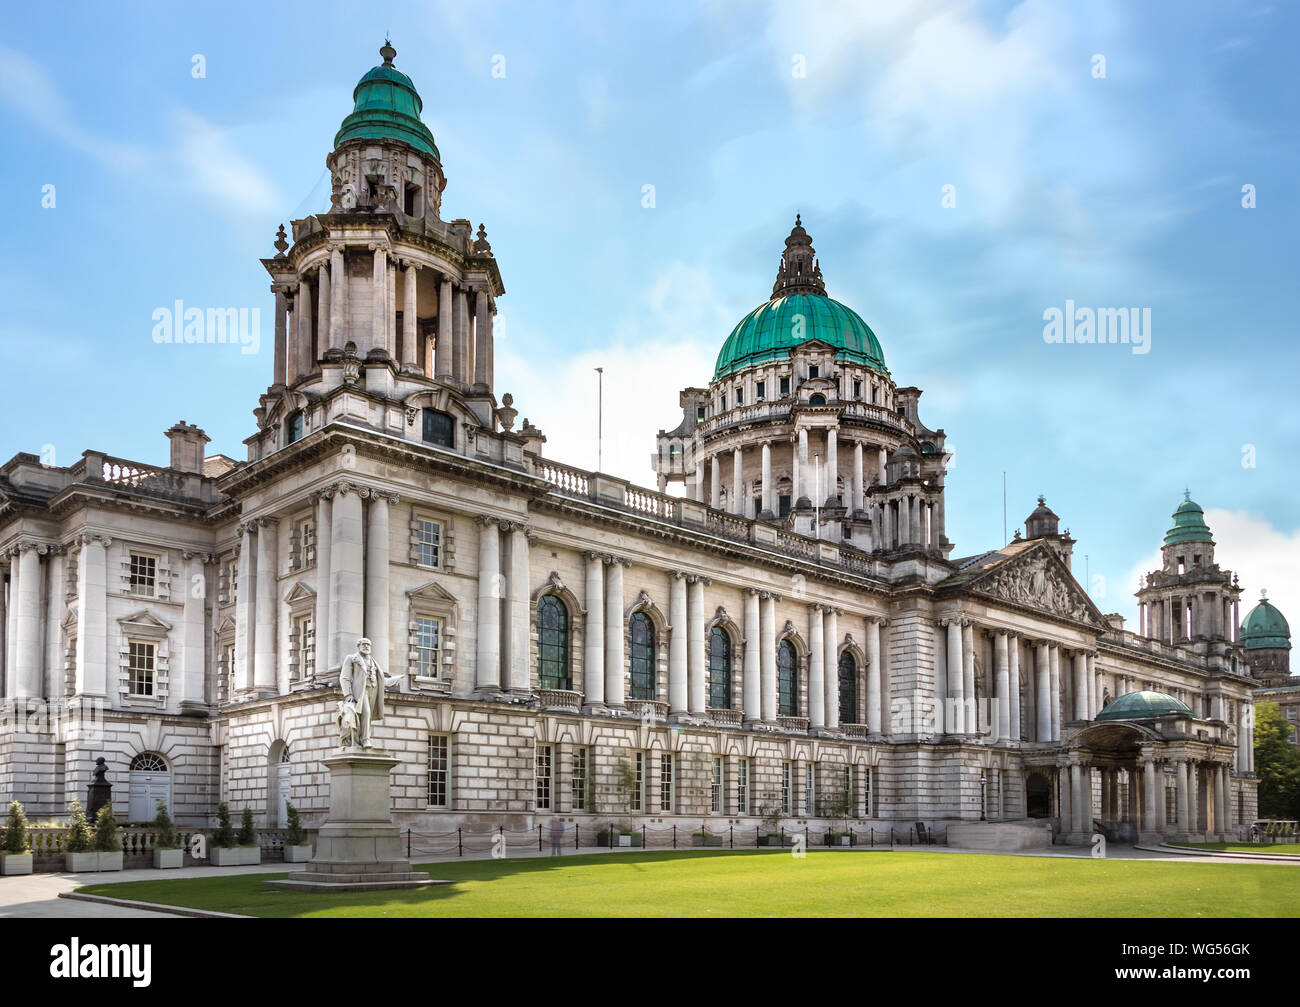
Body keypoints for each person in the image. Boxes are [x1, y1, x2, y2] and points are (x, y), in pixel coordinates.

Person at [338, 637, 402, 748]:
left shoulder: (373, 662)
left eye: (368, 644)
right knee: (366, 712)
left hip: (373, 690)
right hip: (361, 691)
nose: (366, 646)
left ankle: (362, 739)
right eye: (363, 644)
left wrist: (395, 679)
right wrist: (348, 694)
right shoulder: (352, 658)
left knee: (368, 716)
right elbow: (344, 677)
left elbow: (381, 680)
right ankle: (365, 740)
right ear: (358, 646)